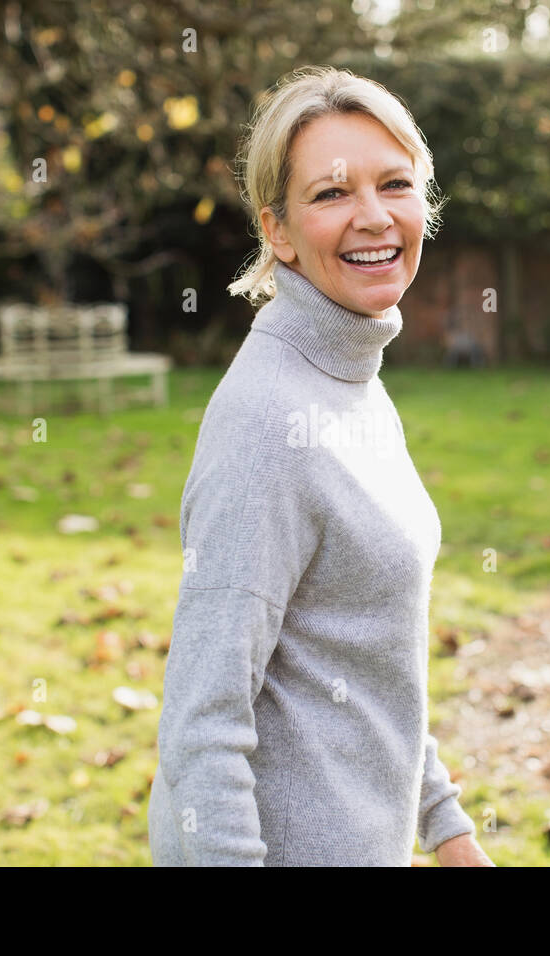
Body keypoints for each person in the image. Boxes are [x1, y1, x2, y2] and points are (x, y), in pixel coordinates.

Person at [147, 65, 493, 866]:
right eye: (332, 194)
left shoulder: (349, 379)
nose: (373, 217)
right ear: (278, 230)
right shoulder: (268, 419)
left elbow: (368, 655)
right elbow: (202, 724)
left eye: (395, 184)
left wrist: (447, 827)